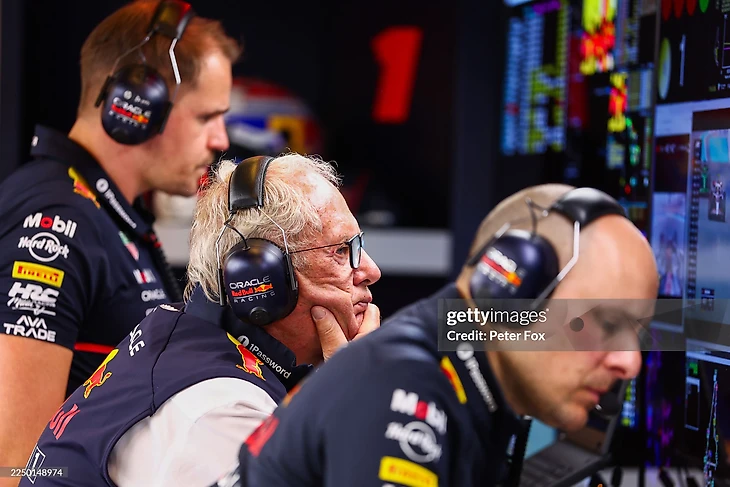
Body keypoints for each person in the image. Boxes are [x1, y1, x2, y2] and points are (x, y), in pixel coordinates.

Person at [218, 183, 660, 487]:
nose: (629, 362)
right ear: (512, 292)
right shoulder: (404, 391)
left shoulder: (453, 373)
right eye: (605, 324)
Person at [18, 154, 382, 487]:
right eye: (341, 251)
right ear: (262, 280)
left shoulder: (186, 339)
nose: (370, 270)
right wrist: (358, 407)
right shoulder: (219, 410)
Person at [0, 0, 240, 480]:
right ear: (136, 107)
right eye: (206, 117)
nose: (221, 140)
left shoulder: (103, 214)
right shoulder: (57, 221)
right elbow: (14, 465)